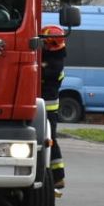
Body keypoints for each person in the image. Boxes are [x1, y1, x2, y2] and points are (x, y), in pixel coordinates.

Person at [40, 24, 67, 195]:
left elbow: (42, 73)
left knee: (50, 140)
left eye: (44, 41)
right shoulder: (52, 56)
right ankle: (56, 177)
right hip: (45, 104)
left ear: (49, 43)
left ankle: (58, 177)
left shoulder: (55, 61)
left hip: (48, 107)